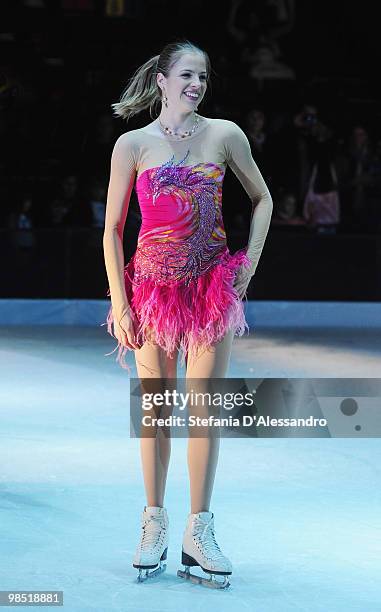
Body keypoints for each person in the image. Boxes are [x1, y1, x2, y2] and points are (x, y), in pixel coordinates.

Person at [102, 39, 273, 588]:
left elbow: (262, 199)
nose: (196, 85)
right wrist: (119, 302)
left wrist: (248, 266)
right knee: (156, 413)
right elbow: (112, 230)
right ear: (162, 81)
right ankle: (154, 521)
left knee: (204, 412)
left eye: (203, 77)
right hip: (152, 290)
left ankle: (198, 532)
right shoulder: (132, 144)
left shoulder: (225, 135)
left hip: (209, 290)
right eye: (187, 75)